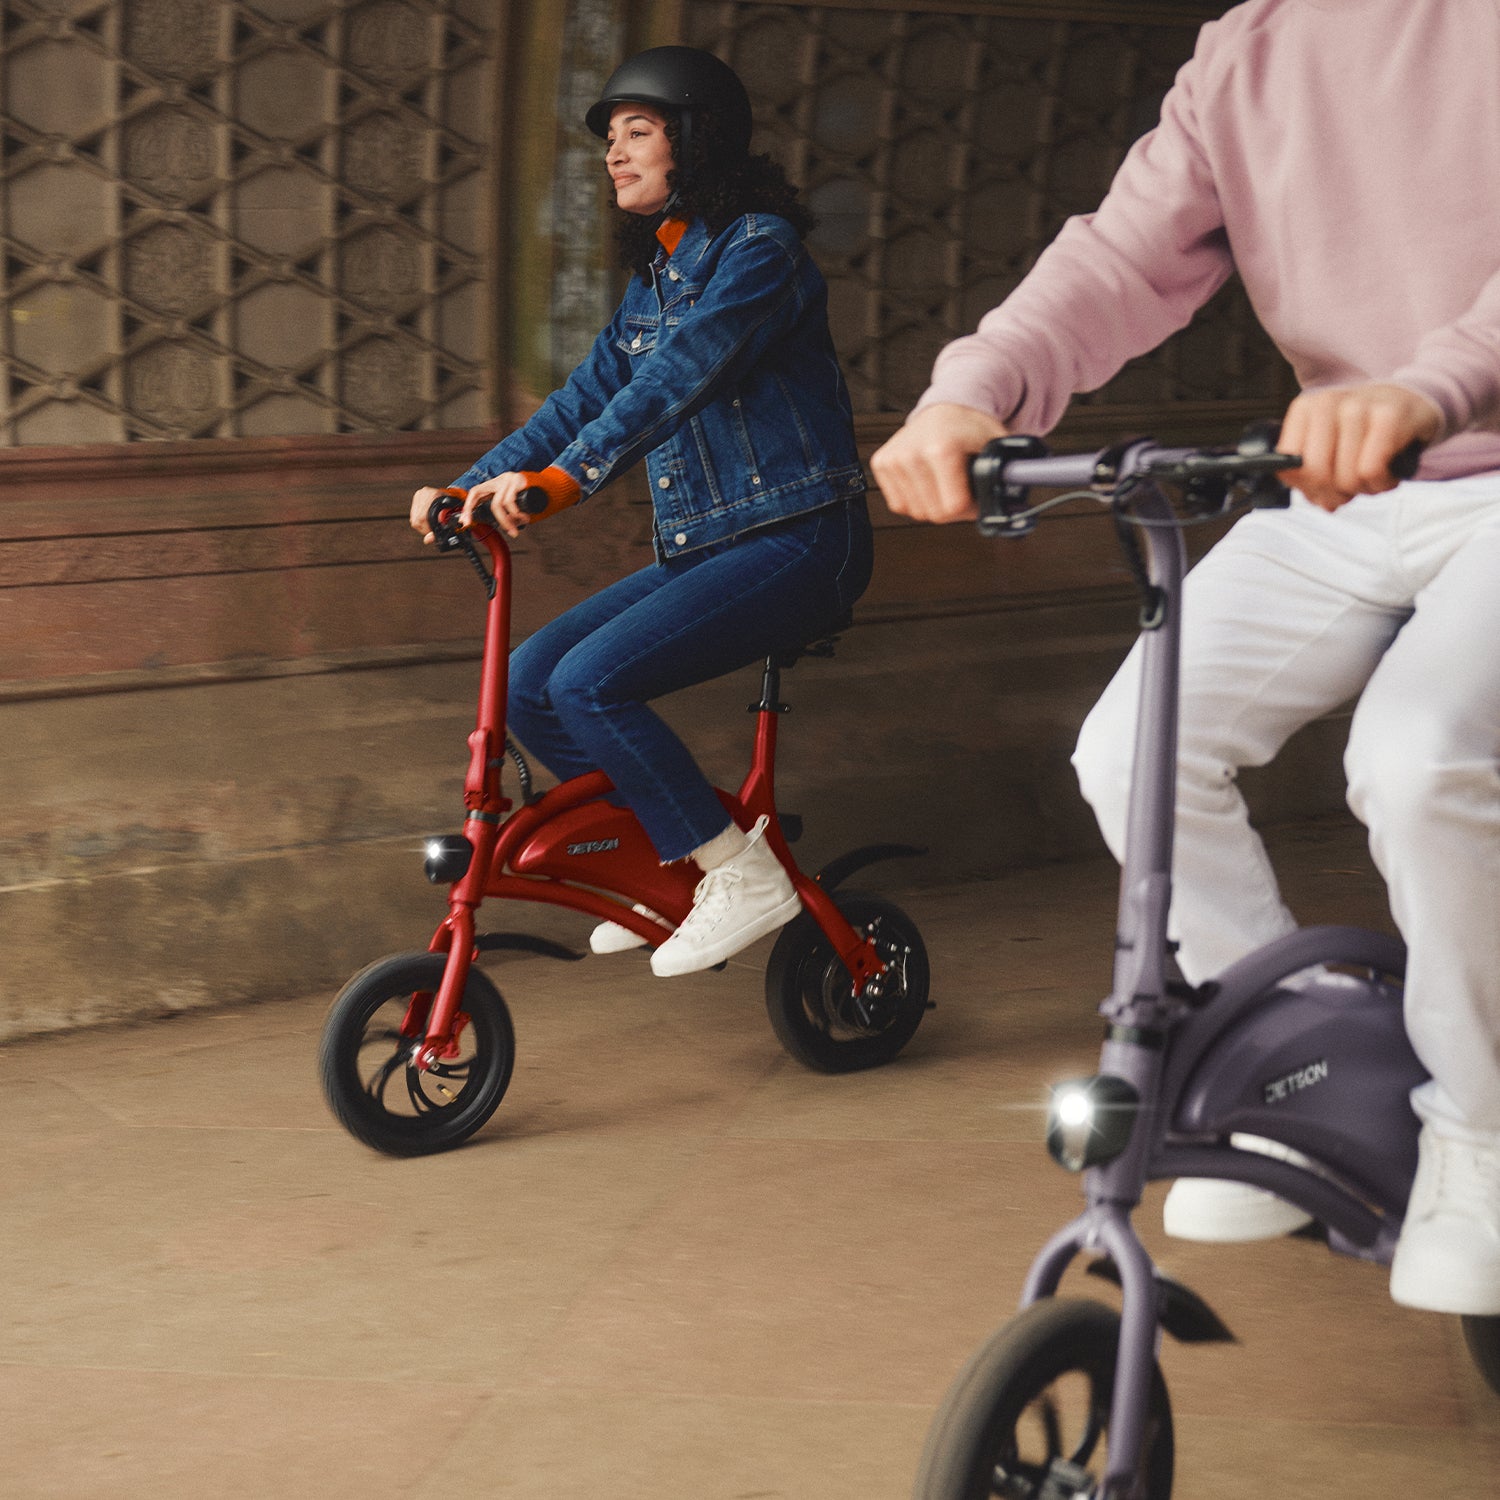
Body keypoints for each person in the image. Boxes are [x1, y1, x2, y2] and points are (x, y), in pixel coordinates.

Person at [871, 0, 1500, 1315]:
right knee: (1130, 750)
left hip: (1458, 446)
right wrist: (971, 390)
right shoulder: (1251, 48)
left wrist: (1431, 384)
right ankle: (1296, 1064)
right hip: (1347, 483)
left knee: (1421, 753)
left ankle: (1485, 1138)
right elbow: (1114, 256)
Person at [410, 46, 872, 978]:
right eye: (611, 140)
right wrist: (470, 485)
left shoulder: (759, 252)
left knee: (589, 682)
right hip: (712, 546)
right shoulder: (655, 281)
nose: (615, 155)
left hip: (802, 539)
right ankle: (676, 868)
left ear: (694, 142)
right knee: (536, 680)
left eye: (638, 133)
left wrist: (566, 482)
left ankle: (736, 874)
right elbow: (582, 399)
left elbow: (679, 378)